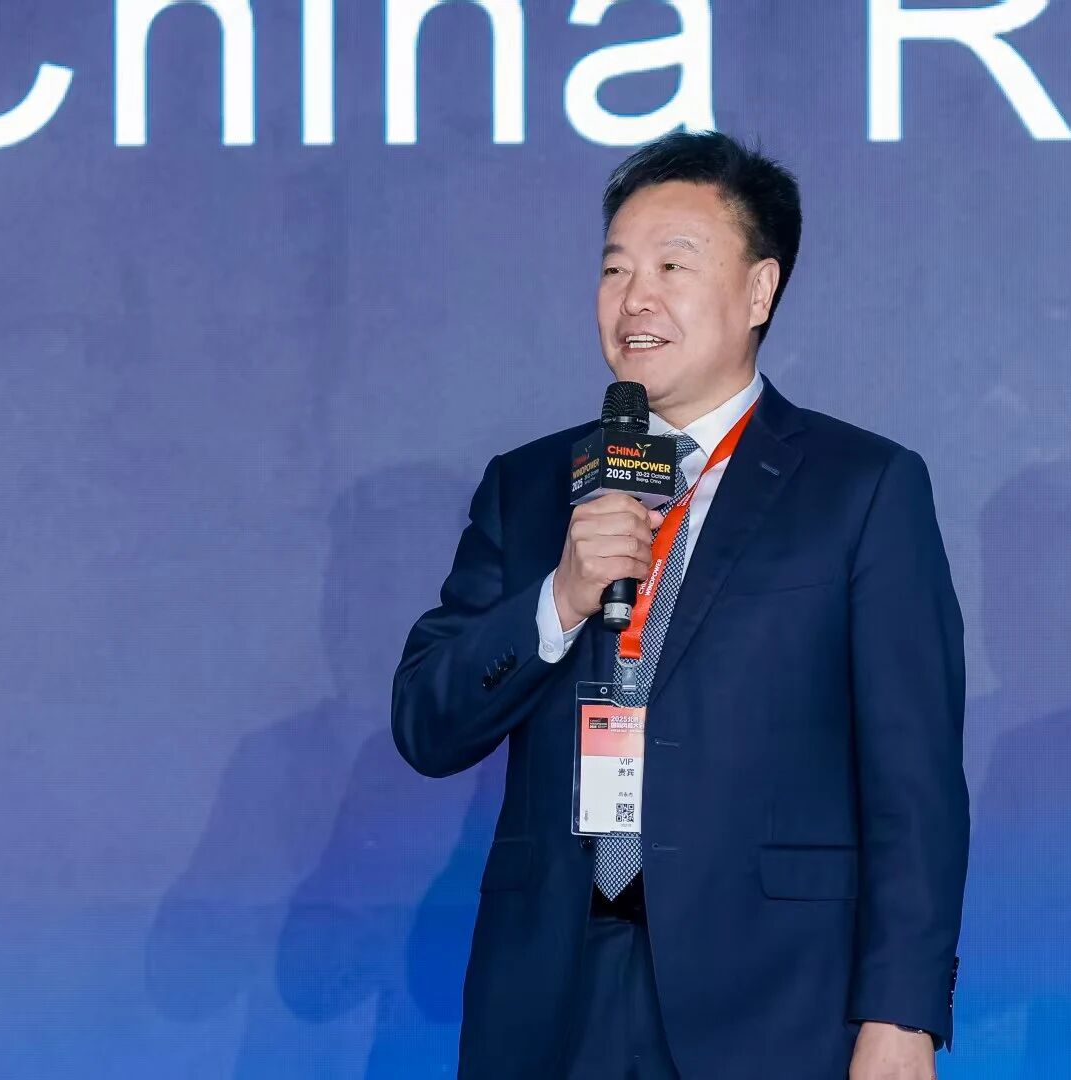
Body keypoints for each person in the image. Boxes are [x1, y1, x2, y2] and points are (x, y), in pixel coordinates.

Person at [392, 130, 967, 1080]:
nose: (635, 298)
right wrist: (560, 598)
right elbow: (426, 721)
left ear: (758, 291)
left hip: (773, 998)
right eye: (615, 268)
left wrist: (901, 1012)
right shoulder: (531, 486)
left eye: (672, 265)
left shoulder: (861, 488)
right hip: (552, 992)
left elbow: (915, 782)